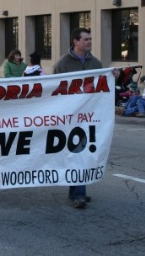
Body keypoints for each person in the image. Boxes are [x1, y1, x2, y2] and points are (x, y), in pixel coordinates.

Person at [53, 27, 119, 209]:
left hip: (88, 117)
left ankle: (76, 191)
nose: (89, 42)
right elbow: (54, 89)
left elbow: (102, 87)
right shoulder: (63, 64)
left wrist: (114, 78)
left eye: (90, 39)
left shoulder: (95, 63)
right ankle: (78, 193)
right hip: (69, 117)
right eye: (86, 39)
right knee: (75, 151)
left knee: (81, 152)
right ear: (75, 41)